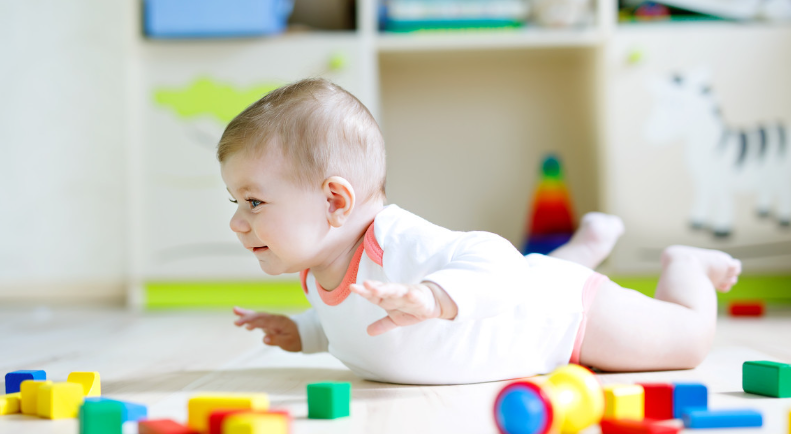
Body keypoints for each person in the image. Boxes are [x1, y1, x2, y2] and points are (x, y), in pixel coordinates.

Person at [218, 78, 741, 385]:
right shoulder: (316, 270)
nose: (238, 221)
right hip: (529, 295)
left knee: (687, 341)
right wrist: (306, 332)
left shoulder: (395, 241)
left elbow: (496, 261)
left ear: (335, 201)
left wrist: (433, 296)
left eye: (254, 202)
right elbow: (350, 318)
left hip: (565, 319)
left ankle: (686, 265)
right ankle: (584, 248)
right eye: (236, 202)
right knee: (538, 276)